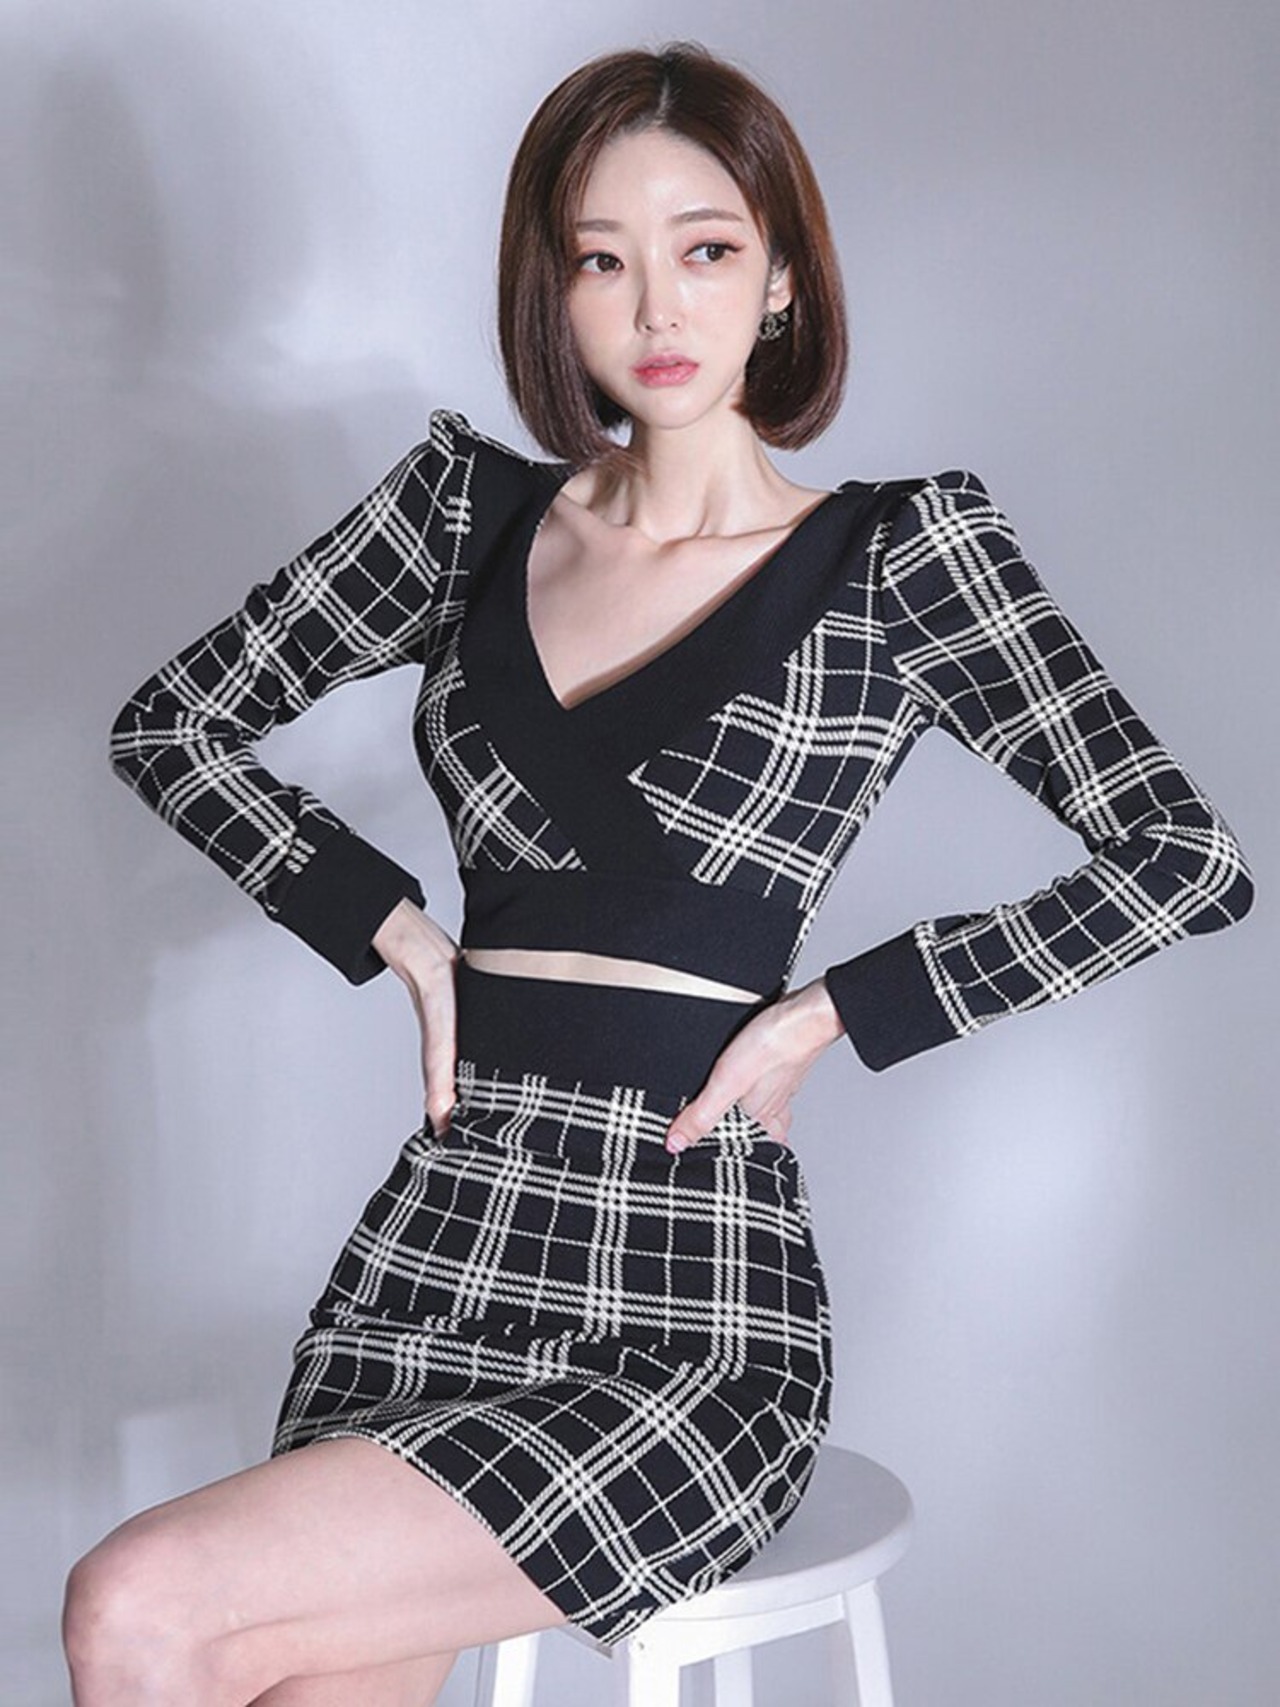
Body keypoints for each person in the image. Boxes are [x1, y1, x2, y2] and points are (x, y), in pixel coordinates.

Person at [63, 38, 1253, 1707]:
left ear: (782, 277)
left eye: (704, 248)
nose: (656, 307)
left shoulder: (896, 558)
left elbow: (1182, 858)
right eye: (601, 260)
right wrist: (392, 927)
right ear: (553, 292)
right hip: (443, 1242)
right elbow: (173, 726)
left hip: (689, 1291)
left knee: (137, 1607)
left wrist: (832, 1013)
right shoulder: (464, 519)